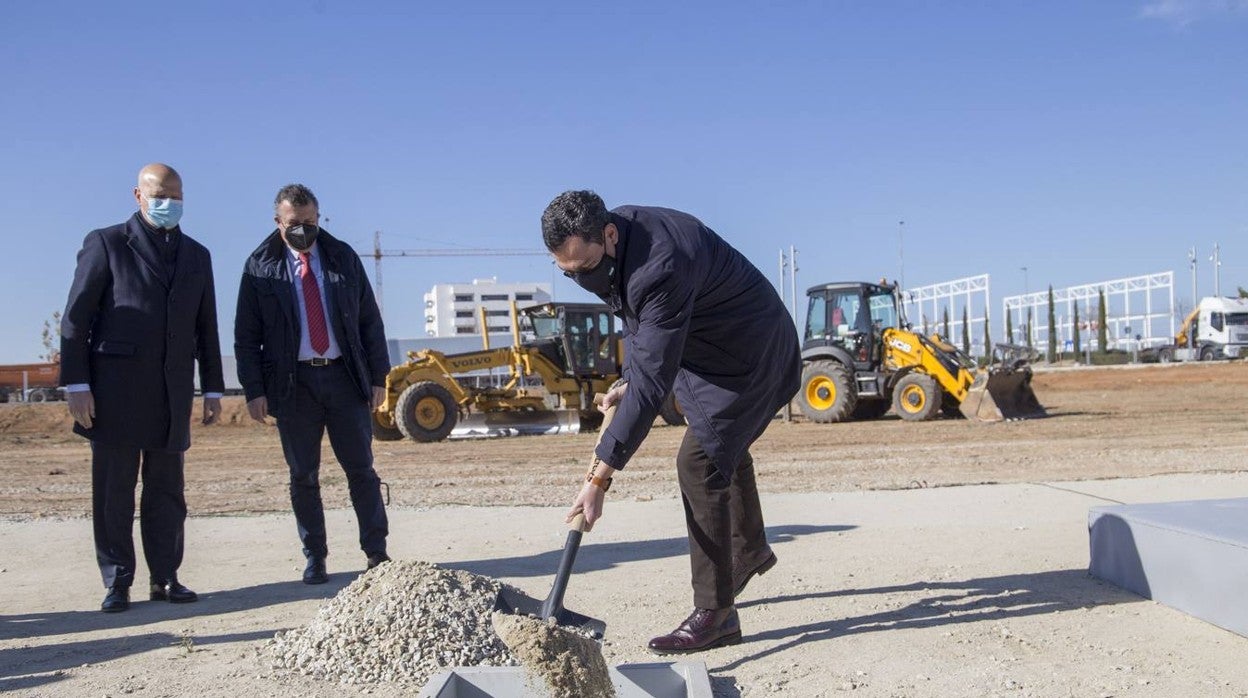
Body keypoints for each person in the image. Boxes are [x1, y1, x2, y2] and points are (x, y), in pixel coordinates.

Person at [542, 190, 801, 654]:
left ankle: (716, 614)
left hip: (752, 352)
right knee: (720, 446)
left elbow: (653, 381)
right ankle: (749, 550)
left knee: (699, 463)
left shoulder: (658, 266)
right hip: (712, 349)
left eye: (585, 268)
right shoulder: (619, 251)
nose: (581, 280)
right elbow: (641, 331)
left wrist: (599, 478)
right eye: (568, 273)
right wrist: (628, 377)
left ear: (609, 234)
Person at [60, 163, 224, 613]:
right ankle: (117, 581)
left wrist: (212, 387)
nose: (167, 201)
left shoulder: (197, 255)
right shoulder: (107, 243)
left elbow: (205, 327)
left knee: (167, 491)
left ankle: (166, 577)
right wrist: (76, 383)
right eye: (158, 193)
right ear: (138, 194)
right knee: (115, 492)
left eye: (175, 193)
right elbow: (76, 319)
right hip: (114, 392)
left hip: (172, 392)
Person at [234, 183, 391, 584]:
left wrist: (378, 377)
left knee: (361, 469)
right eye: (293, 223)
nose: (302, 230)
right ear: (277, 222)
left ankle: (377, 553)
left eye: (309, 223)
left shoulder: (342, 257)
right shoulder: (259, 267)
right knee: (303, 474)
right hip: (293, 384)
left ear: (319, 219)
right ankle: (315, 556)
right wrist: (254, 389)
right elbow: (246, 335)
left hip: (343, 378)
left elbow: (369, 321)